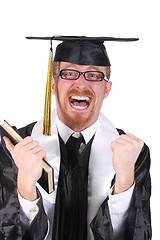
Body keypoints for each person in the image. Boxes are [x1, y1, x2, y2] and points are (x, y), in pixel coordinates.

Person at [0, 36, 151, 240]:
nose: (80, 84)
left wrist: (124, 181)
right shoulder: (17, 147)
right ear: (53, 85)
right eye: (69, 73)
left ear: (107, 89)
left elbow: (138, 233)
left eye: (94, 75)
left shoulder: (134, 153)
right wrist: (26, 185)